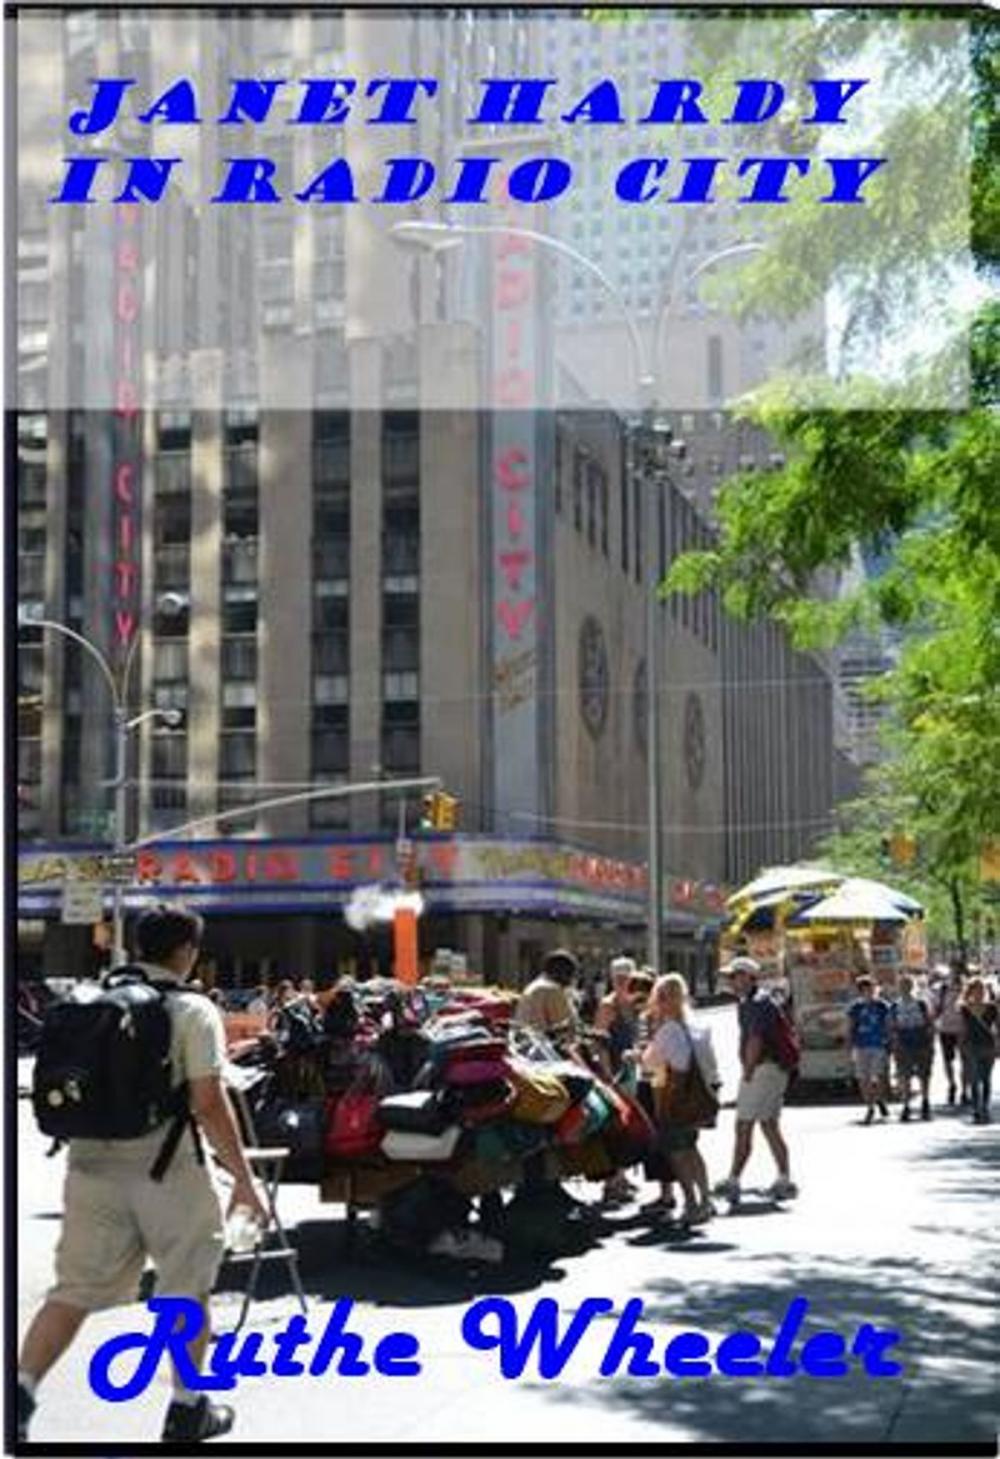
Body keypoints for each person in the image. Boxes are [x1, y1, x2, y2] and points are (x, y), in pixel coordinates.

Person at [17, 904, 268, 1444]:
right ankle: (186, 1409)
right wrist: (244, 1178)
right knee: (186, 1288)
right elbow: (207, 1101)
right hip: (165, 1168)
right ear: (186, 951)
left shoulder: (94, 999)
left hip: (87, 1164)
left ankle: (18, 1394)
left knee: (74, 1290)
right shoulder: (192, 1008)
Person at [714, 957, 798, 1206]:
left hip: (761, 1069)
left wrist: (748, 1071)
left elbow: (755, 1040)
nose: (732, 980)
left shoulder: (754, 1004)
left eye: (736, 975)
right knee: (769, 1124)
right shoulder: (760, 1001)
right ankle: (784, 1178)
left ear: (749, 977)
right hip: (774, 1069)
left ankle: (733, 1180)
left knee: (744, 1125)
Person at [640, 973, 720, 1226]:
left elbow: (651, 1063)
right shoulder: (698, 1027)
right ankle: (706, 1199)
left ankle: (692, 1203)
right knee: (692, 1149)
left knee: (677, 1153)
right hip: (698, 1099)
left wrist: (638, 1055)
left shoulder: (668, 1030)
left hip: (673, 1099)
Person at [594, 956, 640, 1206]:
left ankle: (621, 1175)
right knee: (616, 1125)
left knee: (629, 1125)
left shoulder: (634, 1004)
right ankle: (612, 1181)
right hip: (614, 1072)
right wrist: (607, 1074)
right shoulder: (608, 1005)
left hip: (631, 1069)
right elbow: (599, 1042)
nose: (623, 983)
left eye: (627, 978)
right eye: (618, 978)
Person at [888, 972, 935, 1121]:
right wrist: (894, 1042)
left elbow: (929, 1022)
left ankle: (925, 1102)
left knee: (924, 1075)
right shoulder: (895, 1005)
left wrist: (930, 1042)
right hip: (904, 1043)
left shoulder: (921, 1003)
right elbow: (891, 1025)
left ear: (912, 986)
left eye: (908, 985)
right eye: (902, 985)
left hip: (921, 1041)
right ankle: (906, 1105)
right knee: (905, 1076)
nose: (905, 988)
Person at [847, 975, 892, 1124]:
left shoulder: (883, 1006)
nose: (869, 992)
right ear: (860, 991)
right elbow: (850, 1026)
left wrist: (889, 1040)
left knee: (876, 1077)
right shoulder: (855, 1007)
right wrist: (849, 1044)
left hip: (878, 1045)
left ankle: (873, 1106)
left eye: (871, 989)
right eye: (865, 990)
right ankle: (873, 1102)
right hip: (861, 1045)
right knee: (862, 1078)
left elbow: (888, 1024)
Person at [515, 948, 580, 1049]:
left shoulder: (535, 986)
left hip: (527, 1048)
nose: (572, 980)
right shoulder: (551, 989)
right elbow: (565, 1029)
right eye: (572, 975)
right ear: (564, 973)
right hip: (546, 1052)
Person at [958, 976, 997, 1124]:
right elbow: (962, 1028)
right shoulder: (964, 1008)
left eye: (982, 989)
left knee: (986, 1078)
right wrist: (961, 1045)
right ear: (971, 991)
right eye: (976, 989)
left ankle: (985, 1107)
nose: (980, 992)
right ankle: (976, 1109)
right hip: (971, 1045)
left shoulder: (992, 1007)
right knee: (974, 1079)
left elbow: (997, 1027)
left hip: (988, 1045)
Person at [933, 965, 970, 1105]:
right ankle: (952, 1084)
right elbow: (937, 1009)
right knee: (948, 1061)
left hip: (963, 1030)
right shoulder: (942, 990)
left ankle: (965, 1090)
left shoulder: (966, 990)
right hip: (946, 1029)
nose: (955, 978)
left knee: (965, 1060)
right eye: (953, 975)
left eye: (957, 976)